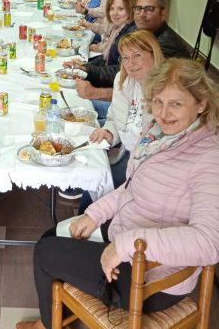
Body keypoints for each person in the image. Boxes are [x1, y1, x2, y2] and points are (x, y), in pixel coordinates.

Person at [16, 58, 219, 329]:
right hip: (130, 232)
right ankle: (54, 317)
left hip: (152, 279)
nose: (164, 113)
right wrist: (94, 214)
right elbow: (132, 187)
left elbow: (209, 243)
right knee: (51, 236)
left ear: (201, 104)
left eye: (176, 104)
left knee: (45, 252)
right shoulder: (158, 134)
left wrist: (125, 245)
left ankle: (46, 326)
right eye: (158, 101)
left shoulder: (209, 157)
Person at [77, 31, 164, 214]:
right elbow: (114, 117)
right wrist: (109, 132)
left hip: (150, 164)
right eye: (125, 57)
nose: (130, 63)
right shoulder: (123, 81)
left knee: (101, 191)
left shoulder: (166, 91)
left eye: (137, 55)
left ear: (154, 54)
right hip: (127, 153)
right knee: (93, 177)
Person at [70, 0, 190, 95]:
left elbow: (127, 76)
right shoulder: (141, 33)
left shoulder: (166, 45)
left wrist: (93, 87)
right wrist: (86, 68)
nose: (141, 14)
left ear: (163, 14)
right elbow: (117, 64)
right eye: (138, 8)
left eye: (149, 9)